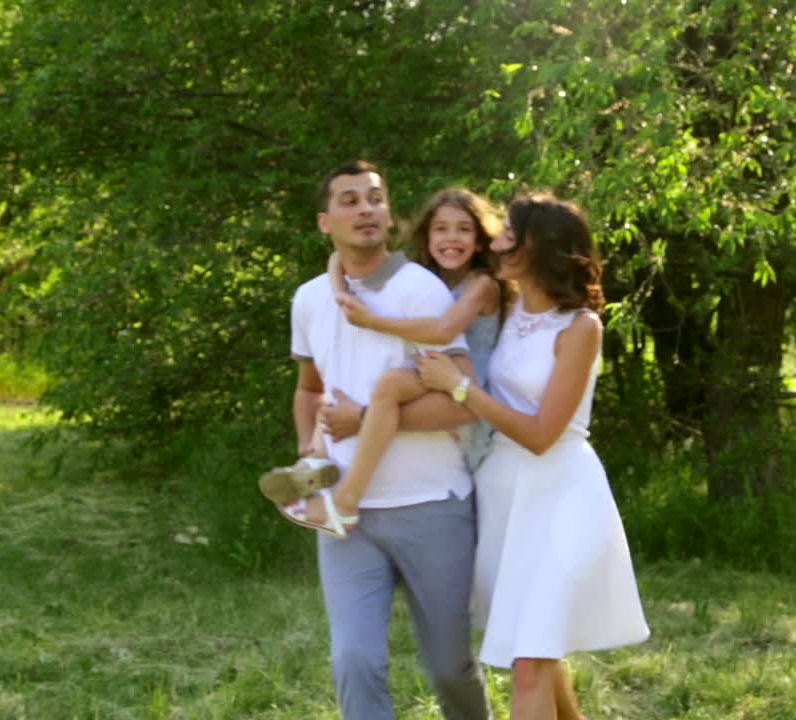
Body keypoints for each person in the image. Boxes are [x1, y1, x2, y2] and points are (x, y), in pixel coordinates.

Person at [416, 193, 650, 720]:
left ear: (537, 245)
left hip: (562, 495)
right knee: (536, 651)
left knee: (529, 665)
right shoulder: (506, 302)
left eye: (507, 234)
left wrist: (460, 390)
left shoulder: (580, 328)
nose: (494, 242)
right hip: (506, 498)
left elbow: (544, 433)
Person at [280, 161, 491, 720]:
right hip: (342, 515)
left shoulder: (419, 290)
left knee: (450, 667)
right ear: (325, 222)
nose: (366, 209)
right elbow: (308, 389)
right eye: (349, 200)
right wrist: (309, 448)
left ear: (390, 214)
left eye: (375, 198)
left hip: (431, 506)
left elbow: (459, 401)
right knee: (354, 661)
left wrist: (368, 417)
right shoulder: (308, 300)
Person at [260, 188, 506, 536]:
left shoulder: (481, 284)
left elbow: (442, 329)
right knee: (353, 380)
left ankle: (345, 501)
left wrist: (371, 321)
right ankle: (315, 459)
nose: (452, 238)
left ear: (480, 241)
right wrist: (337, 275)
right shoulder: (421, 280)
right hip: (434, 374)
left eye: (464, 230)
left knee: (389, 383)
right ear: (427, 236)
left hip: (469, 389)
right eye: (441, 229)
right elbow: (340, 267)